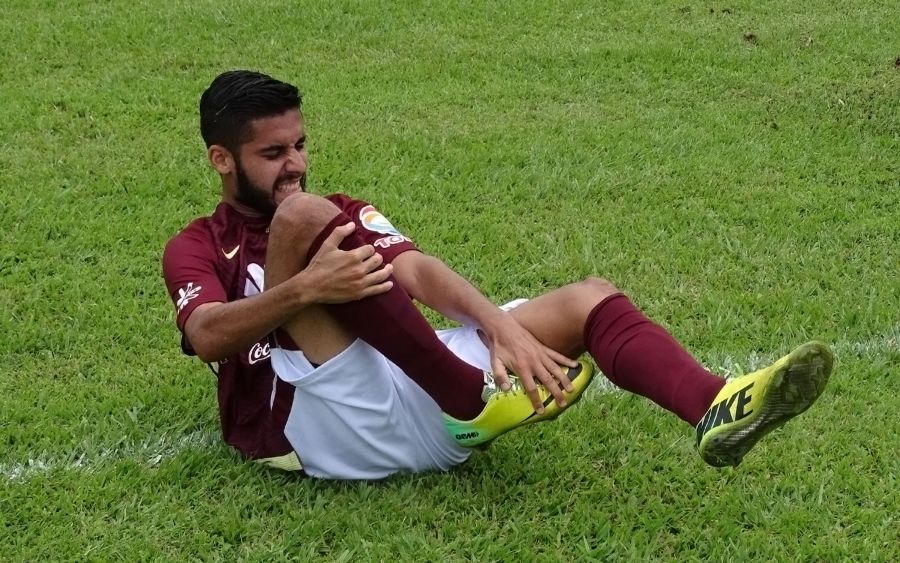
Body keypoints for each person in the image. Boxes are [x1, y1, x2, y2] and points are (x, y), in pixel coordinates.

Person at [162, 70, 833, 480]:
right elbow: (208, 334)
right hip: (317, 426)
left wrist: (497, 326)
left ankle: (712, 403)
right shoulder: (196, 246)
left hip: (411, 385)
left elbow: (415, 270)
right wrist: (305, 290)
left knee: (587, 299)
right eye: (273, 152)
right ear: (222, 159)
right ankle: (464, 398)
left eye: (301, 145)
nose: (296, 164)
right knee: (306, 218)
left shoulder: (336, 206)